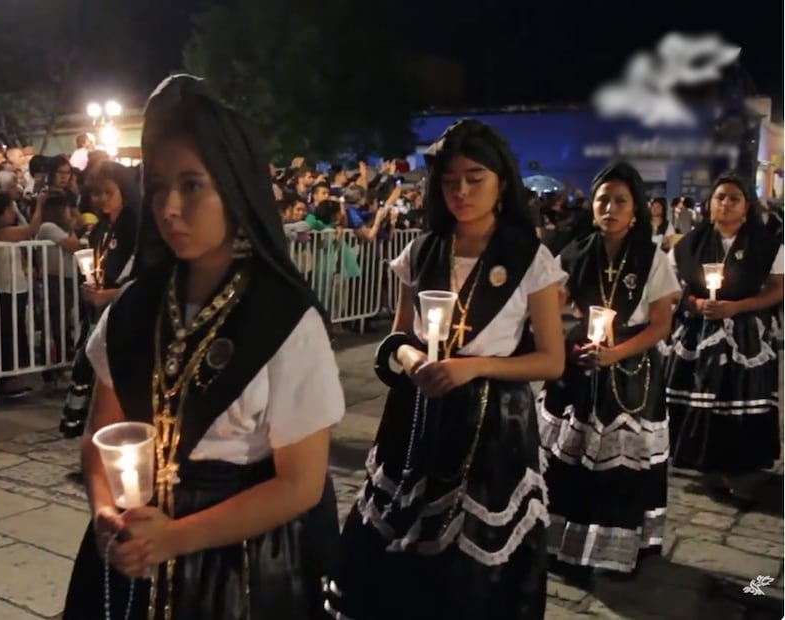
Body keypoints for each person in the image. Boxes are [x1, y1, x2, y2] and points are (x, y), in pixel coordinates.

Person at [62, 75, 344, 620]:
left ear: (236, 188)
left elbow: (300, 484)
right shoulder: (133, 309)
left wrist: (175, 538)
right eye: (160, 185)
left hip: (236, 567)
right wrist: (105, 516)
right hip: (130, 555)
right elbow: (102, 438)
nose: (168, 207)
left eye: (192, 186)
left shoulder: (285, 319)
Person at [325, 120, 566, 619]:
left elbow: (551, 359)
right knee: (395, 549)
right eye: (450, 179)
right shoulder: (423, 250)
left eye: (475, 178)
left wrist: (473, 366)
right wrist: (413, 359)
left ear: (502, 181)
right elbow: (398, 339)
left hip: (493, 426)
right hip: (415, 414)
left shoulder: (529, 258)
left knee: (471, 563)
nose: (461, 191)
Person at [539, 162, 680, 581]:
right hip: (582, 360)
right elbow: (554, 302)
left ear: (635, 209)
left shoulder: (652, 257)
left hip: (632, 369)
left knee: (623, 464)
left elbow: (660, 323)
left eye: (620, 201)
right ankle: (563, 544)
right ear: (593, 206)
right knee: (572, 457)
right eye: (603, 199)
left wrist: (616, 354)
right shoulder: (577, 251)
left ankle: (616, 551)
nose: (610, 208)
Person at [664, 172, 784, 504]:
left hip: (745, 334)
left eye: (734, 198)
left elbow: (778, 288)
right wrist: (696, 303)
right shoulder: (689, 244)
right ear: (710, 204)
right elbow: (672, 288)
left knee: (738, 397)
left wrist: (738, 307)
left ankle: (739, 467)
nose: (726, 204)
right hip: (698, 332)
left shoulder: (767, 246)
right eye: (720, 198)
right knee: (698, 394)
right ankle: (703, 463)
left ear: (747, 207)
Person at [60, 164, 139, 438]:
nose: (102, 199)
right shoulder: (102, 228)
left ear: (124, 192)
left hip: (123, 307)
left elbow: (140, 273)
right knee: (90, 361)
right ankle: (85, 426)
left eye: (108, 192)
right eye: (97, 193)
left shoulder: (134, 225)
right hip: (100, 306)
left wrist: (112, 293)